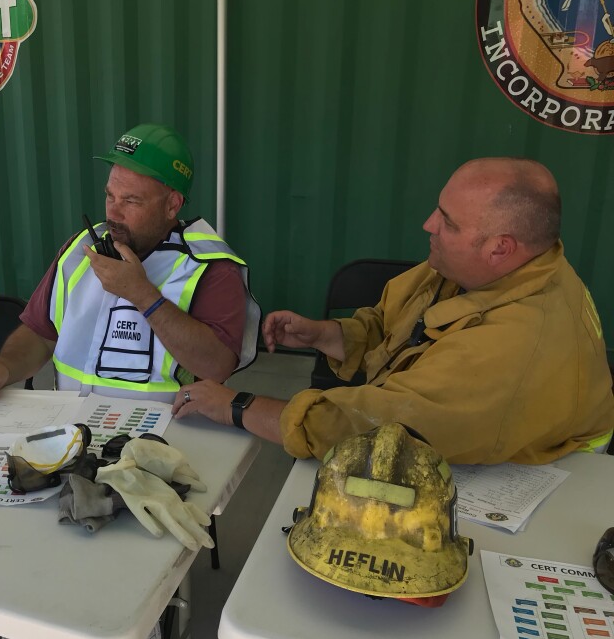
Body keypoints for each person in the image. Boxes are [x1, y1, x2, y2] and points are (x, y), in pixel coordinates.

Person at [0, 123, 261, 639]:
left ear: (173, 204)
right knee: (29, 504)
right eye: (109, 195)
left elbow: (216, 364)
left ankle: (145, 605)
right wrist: (5, 367)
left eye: (132, 200)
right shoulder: (82, 250)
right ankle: (37, 603)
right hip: (72, 423)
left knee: (130, 525)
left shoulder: (211, 267)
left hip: (165, 435)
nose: (113, 211)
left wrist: (143, 295)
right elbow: (38, 330)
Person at [173, 157, 614, 466]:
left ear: (501, 248)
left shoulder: (516, 345)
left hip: (536, 476)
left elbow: (372, 430)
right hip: (471, 433)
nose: (428, 225)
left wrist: (238, 404)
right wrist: (328, 334)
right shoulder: (486, 268)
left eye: (448, 222)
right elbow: (395, 322)